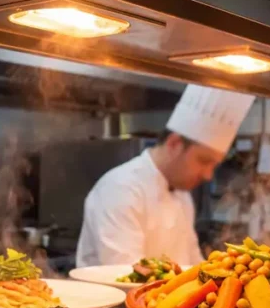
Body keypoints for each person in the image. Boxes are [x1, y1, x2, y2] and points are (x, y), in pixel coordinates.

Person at [76, 85, 255, 268]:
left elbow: (195, 265)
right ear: (174, 144)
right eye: (203, 161)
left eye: (213, 165)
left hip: (172, 296)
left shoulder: (183, 195)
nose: (208, 175)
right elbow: (128, 274)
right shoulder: (119, 189)